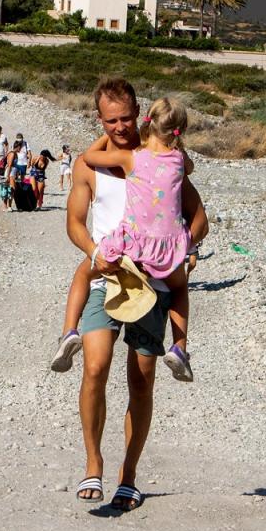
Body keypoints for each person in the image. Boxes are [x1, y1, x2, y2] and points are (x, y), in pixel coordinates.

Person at [63, 78, 208, 510]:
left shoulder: (159, 158)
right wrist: (93, 252)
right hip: (106, 275)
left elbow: (198, 217)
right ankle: (93, 464)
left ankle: (129, 475)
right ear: (100, 120)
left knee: (141, 381)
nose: (121, 127)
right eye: (111, 121)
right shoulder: (90, 167)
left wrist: (187, 249)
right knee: (94, 368)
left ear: (139, 113)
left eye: (127, 118)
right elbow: (74, 223)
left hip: (154, 284)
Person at [82, 97, 196, 382]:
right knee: (180, 289)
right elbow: (189, 169)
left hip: (133, 246)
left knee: (87, 268)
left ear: (146, 120)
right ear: (179, 130)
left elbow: (89, 157)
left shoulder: (131, 157)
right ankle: (180, 347)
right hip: (168, 248)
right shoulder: (180, 161)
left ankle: (70, 330)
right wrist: (188, 243)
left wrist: (105, 131)